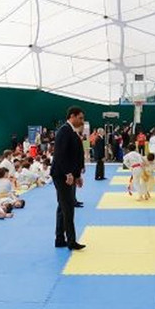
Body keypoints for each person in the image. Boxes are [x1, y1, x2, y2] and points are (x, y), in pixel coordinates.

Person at [51, 107, 86, 250]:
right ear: (72, 116)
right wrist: (68, 173)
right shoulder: (64, 131)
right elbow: (60, 155)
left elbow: (74, 156)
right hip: (62, 175)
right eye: (80, 118)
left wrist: (77, 175)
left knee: (62, 206)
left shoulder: (71, 131)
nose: (82, 121)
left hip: (68, 175)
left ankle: (60, 238)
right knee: (68, 207)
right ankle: (71, 241)